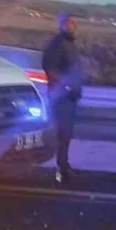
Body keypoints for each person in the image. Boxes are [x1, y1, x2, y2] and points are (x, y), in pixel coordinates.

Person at [42, 12, 84, 184]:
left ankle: (64, 167)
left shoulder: (70, 45)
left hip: (70, 96)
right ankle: (61, 171)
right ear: (62, 25)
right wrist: (65, 87)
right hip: (61, 98)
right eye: (70, 23)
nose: (73, 26)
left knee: (66, 135)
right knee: (62, 134)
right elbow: (49, 68)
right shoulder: (58, 44)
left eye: (75, 23)